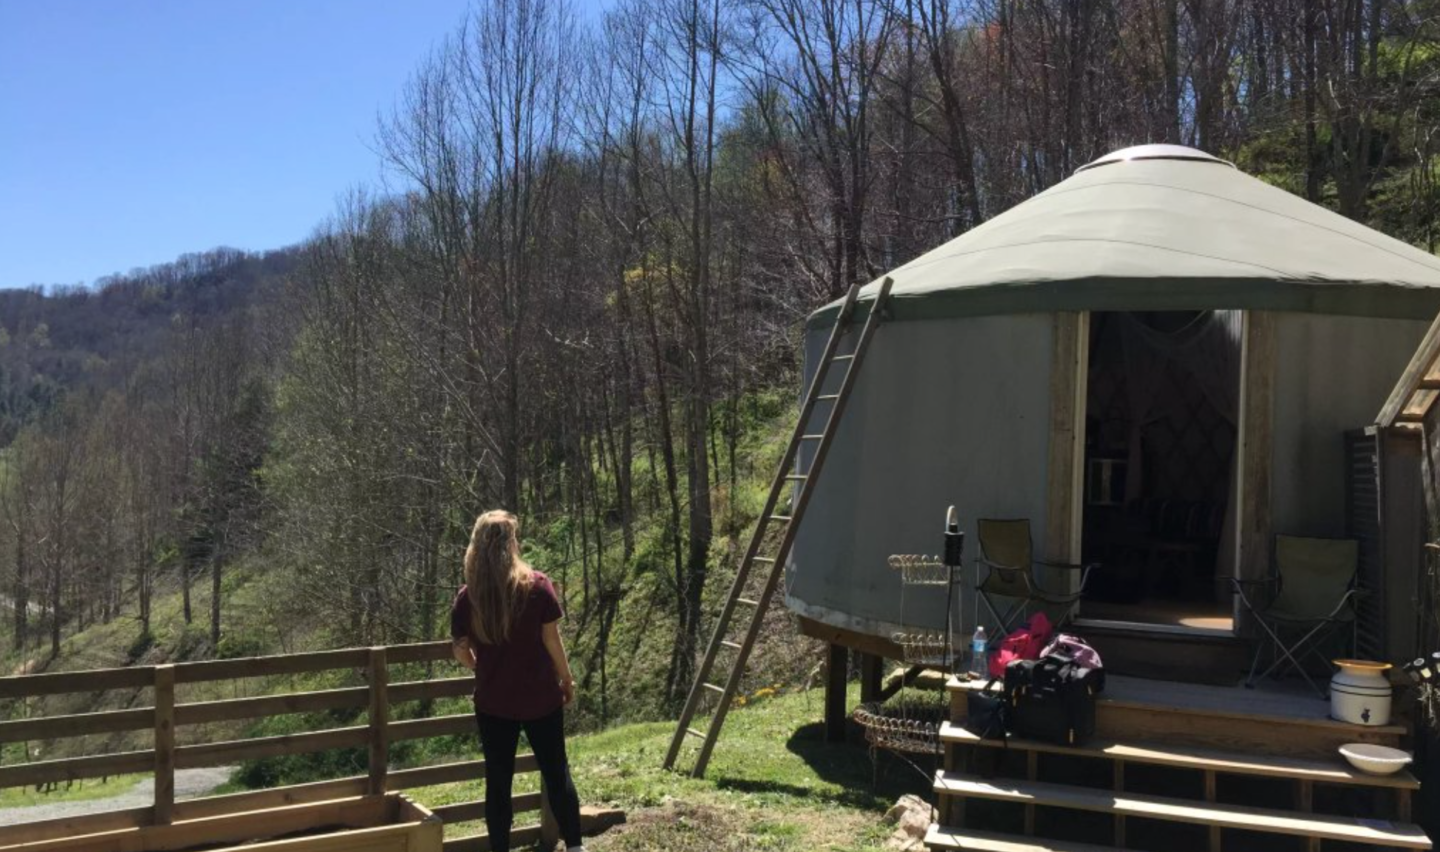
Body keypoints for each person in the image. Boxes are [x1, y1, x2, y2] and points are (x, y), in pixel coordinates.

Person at [450, 510, 586, 852]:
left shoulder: (469, 598)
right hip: (540, 697)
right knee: (557, 773)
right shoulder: (537, 586)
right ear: (510, 544)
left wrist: (479, 666)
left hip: (494, 702)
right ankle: (575, 847)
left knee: (498, 782)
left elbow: (461, 650)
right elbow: (552, 641)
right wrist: (566, 679)